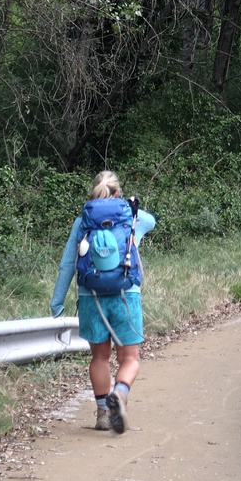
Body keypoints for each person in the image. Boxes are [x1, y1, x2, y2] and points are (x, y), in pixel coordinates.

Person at [50, 171, 157, 433]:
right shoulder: (133, 218)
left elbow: (67, 264)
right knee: (130, 357)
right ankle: (119, 394)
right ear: (118, 192)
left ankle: (102, 414)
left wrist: (57, 303)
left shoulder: (82, 222)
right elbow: (152, 221)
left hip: (91, 296)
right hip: (126, 295)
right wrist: (131, 207)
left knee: (100, 357)